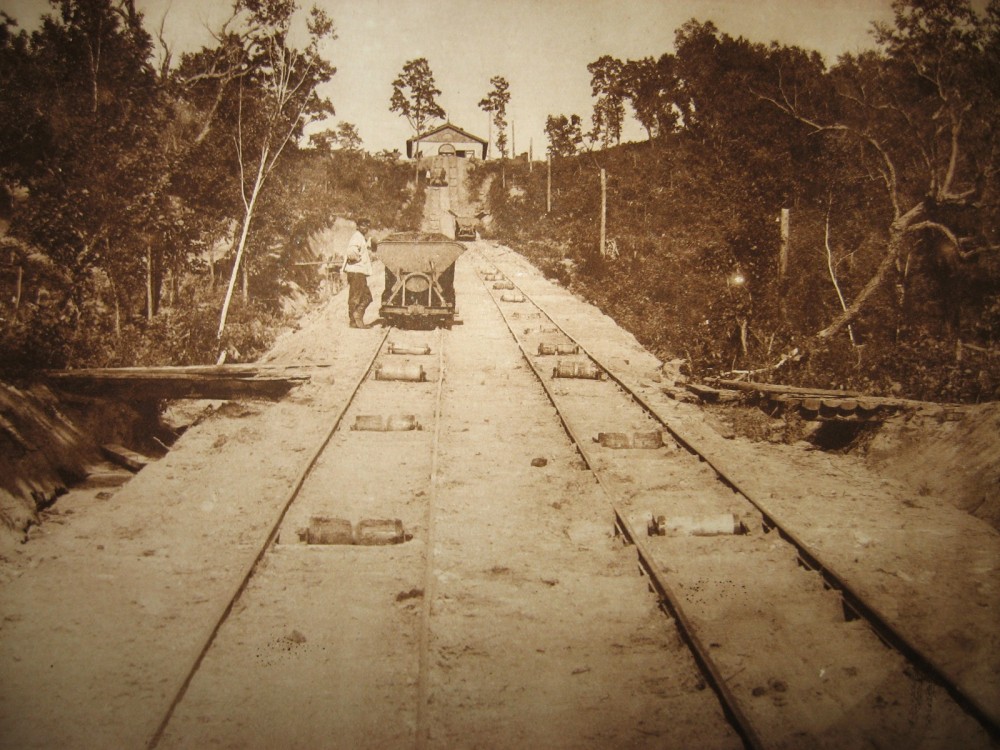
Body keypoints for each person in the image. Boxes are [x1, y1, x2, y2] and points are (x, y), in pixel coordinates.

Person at [343, 218, 375, 328]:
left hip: (358, 272)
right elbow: (351, 252)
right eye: (362, 225)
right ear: (358, 226)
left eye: (367, 226)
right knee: (357, 297)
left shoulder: (360, 238)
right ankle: (354, 321)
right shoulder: (356, 237)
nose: (365, 228)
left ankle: (355, 319)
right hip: (356, 271)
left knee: (365, 296)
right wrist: (357, 260)